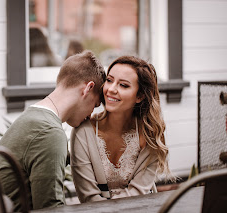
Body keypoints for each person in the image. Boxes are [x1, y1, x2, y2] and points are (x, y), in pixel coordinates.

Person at [0, 50, 106, 211]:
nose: (90, 115)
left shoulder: (32, 117)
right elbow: (50, 209)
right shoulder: (49, 132)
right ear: (88, 88)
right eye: (94, 105)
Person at [70, 55, 175, 203]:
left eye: (123, 85)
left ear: (139, 96)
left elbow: (138, 192)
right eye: (109, 80)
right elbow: (88, 197)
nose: (111, 89)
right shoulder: (83, 132)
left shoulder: (151, 134)